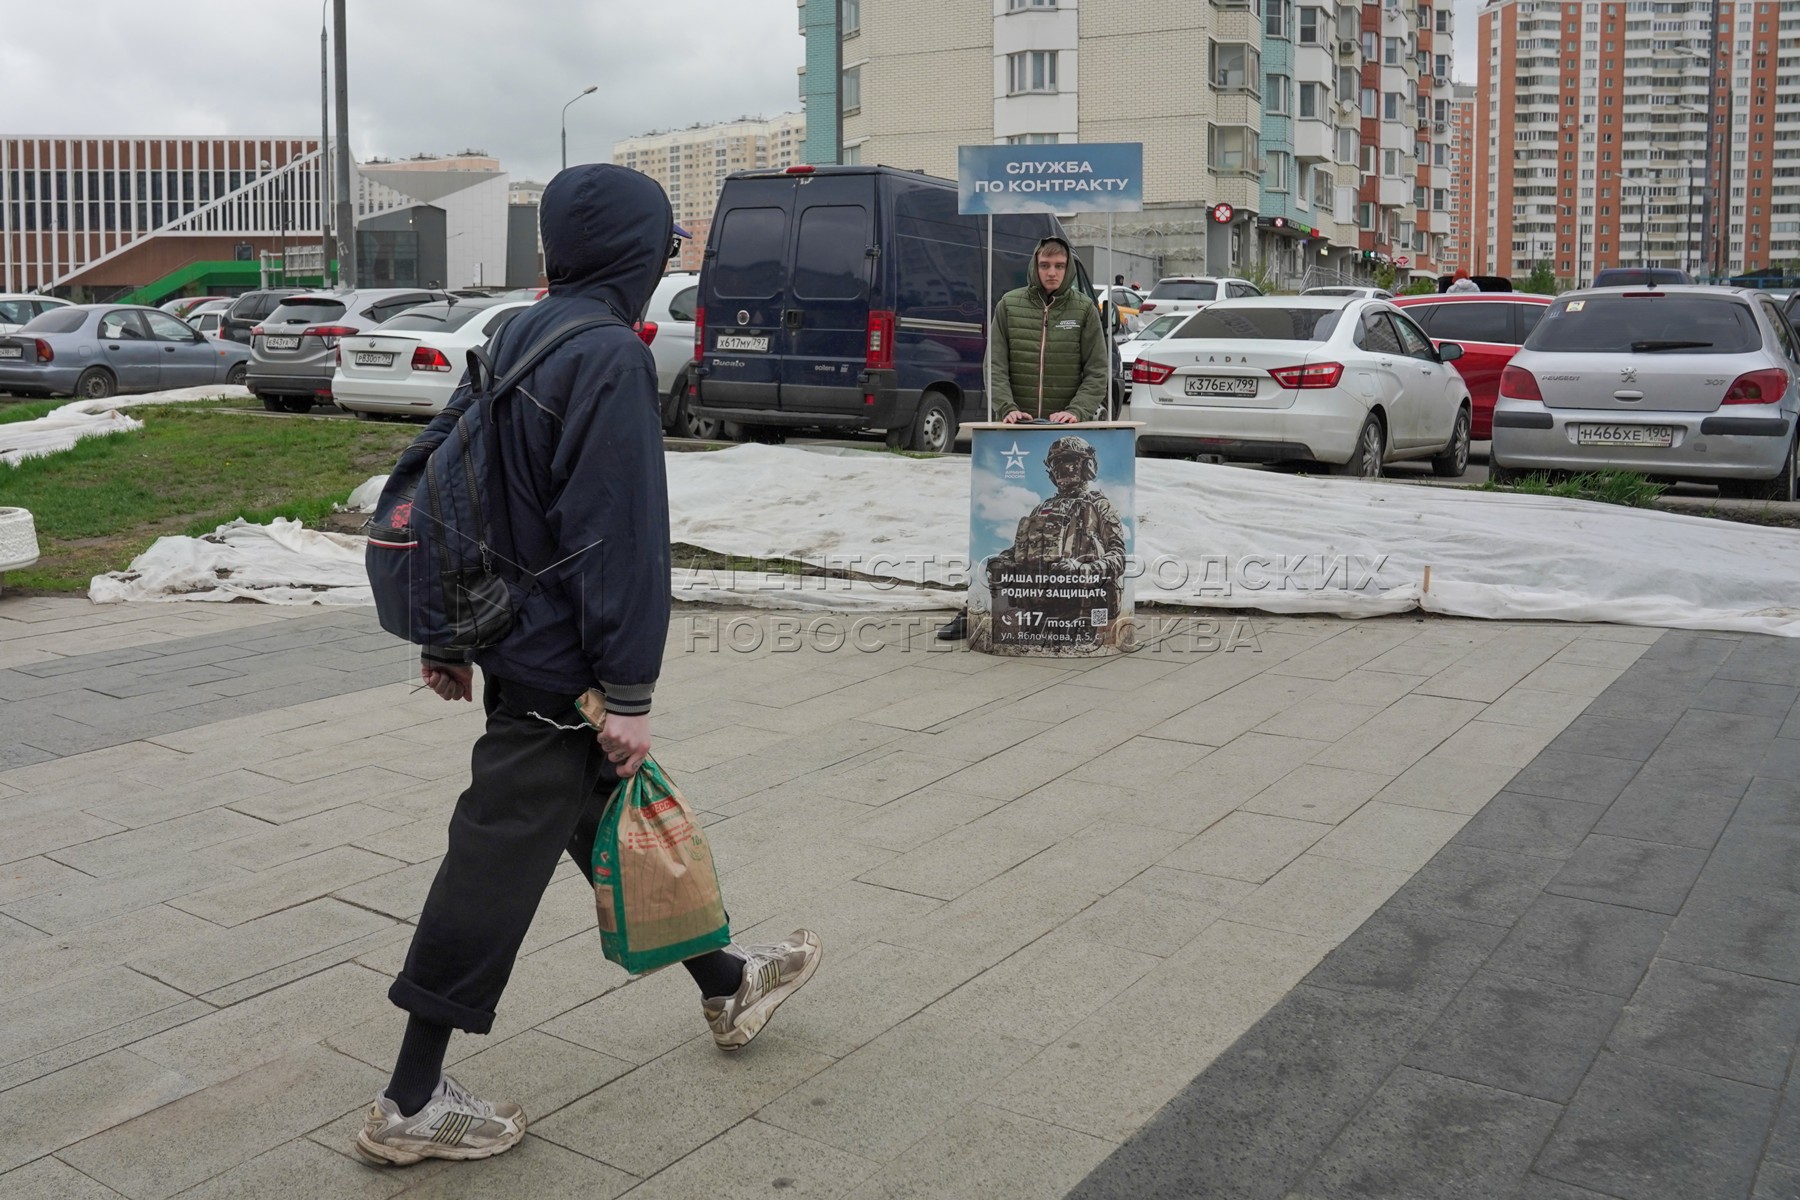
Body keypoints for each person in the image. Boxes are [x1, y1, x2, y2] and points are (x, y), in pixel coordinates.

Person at [354, 163, 822, 1169]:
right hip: (557, 663)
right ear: (632, 254)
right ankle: (411, 1098)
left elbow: (459, 481)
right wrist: (632, 692)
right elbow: (619, 538)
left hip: (519, 643)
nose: (665, 259)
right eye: (661, 245)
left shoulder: (519, 332)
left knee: (602, 816)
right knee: (490, 868)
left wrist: (448, 633)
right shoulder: (606, 355)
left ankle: (725, 980)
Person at [938, 236, 1110, 642]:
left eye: (1060, 266)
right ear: (1034, 265)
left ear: (1069, 269)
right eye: (1046, 264)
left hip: (1063, 432)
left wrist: (1077, 411)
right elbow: (994, 364)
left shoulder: (1084, 309)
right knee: (1004, 525)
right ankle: (977, 608)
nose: (1052, 272)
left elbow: (1097, 372)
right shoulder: (1009, 305)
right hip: (1013, 434)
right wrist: (1005, 407)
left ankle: (1068, 615)